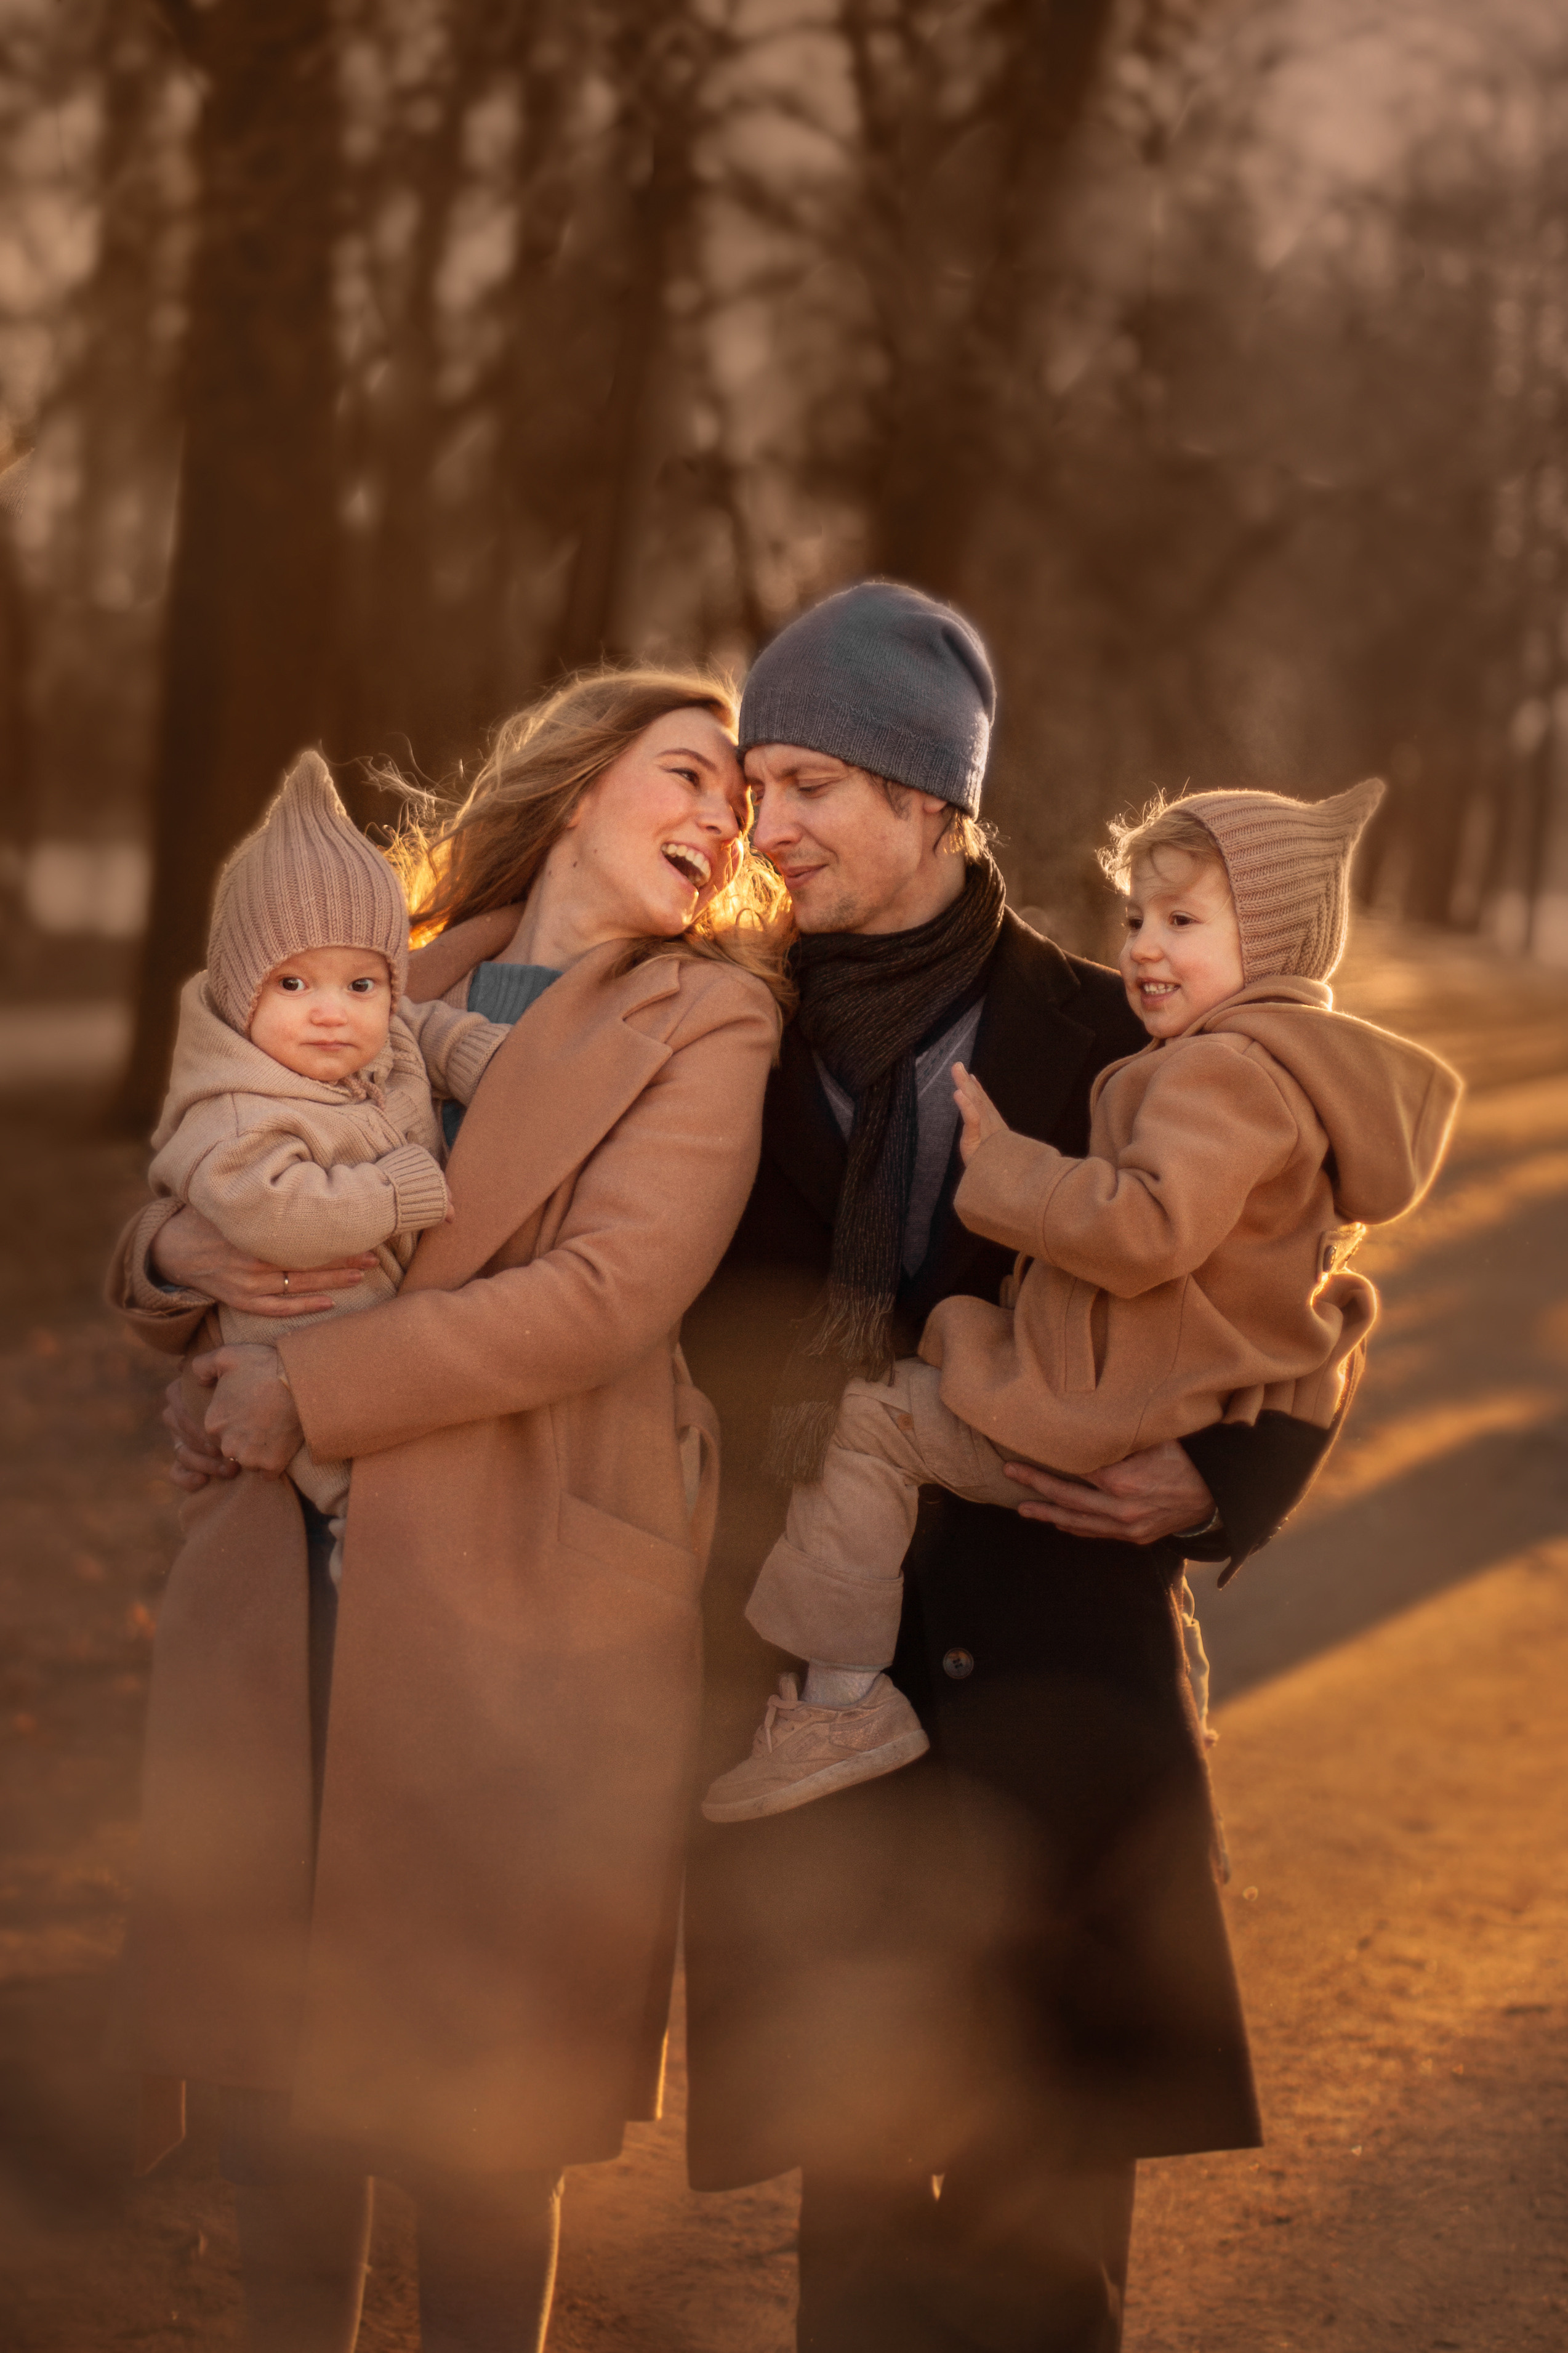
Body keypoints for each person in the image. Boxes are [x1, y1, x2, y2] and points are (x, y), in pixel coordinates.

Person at [678, 580, 1375, 2353]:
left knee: (1050, 2248)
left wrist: (1222, 1489)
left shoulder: (1119, 1032)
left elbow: (1303, 1281)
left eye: (810, 784)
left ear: (931, 797)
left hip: (1060, 1690)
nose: (769, 827)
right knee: (852, 2246)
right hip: (823, 1701)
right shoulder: (721, 1032)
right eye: (756, 787)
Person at [108, 668, 789, 2353]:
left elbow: (607, 1291)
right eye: (687, 775)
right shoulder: (386, 966)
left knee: (487, 2114)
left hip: (524, 1586)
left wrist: (310, 1387)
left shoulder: (708, 1020)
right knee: (279, 2084)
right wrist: (174, 1260)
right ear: (579, 784)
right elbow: (209, 1151)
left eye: (738, 807)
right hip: (292, 1579)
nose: (720, 822)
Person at [702, 778, 1461, 1821]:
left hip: (1078, 1540)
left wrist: (1225, 1477)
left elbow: (1197, 1251)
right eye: (1138, 918)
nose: (1145, 946)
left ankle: (837, 1701)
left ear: (925, 793)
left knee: (872, 1417)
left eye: (1183, 922)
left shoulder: (1197, 1063)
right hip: (1081, 1404)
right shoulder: (1235, 1062)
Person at [148, 748, 512, 1586]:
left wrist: (484, 1056)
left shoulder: (382, 1033)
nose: (330, 1012)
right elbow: (277, 1212)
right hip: (295, 1321)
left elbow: (424, 1028)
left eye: (360, 984)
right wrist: (396, 1191)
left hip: (382, 1322)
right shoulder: (235, 1107)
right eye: (293, 984)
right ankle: (358, 1536)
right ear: (241, 992)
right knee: (352, 1463)